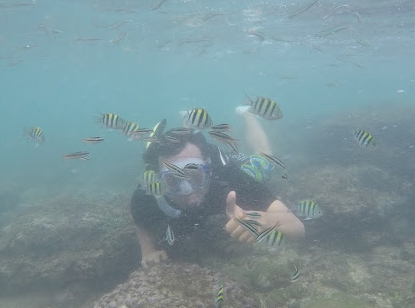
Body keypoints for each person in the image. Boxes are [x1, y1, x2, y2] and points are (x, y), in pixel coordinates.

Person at [130, 111, 305, 268]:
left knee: (265, 158)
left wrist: (263, 220)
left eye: (196, 176)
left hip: (226, 169)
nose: (187, 190)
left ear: (209, 169)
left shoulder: (231, 183)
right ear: (160, 178)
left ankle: (248, 115)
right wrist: (148, 250)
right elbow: (141, 219)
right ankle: (188, 124)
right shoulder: (149, 192)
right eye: (172, 179)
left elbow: (297, 227)